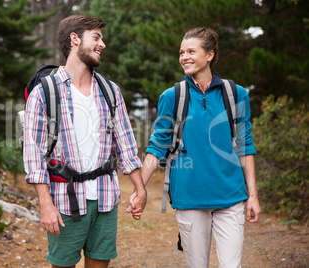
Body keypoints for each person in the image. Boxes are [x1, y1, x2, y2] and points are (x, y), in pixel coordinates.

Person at [23, 15, 147, 268]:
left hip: (106, 197)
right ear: (75, 39)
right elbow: (34, 157)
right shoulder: (45, 92)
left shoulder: (110, 90)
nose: (103, 44)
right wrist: (45, 206)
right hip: (65, 201)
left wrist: (140, 188)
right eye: (97, 37)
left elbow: (125, 143)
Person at [134, 27, 261, 267]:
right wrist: (140, 187)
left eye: (191, 51)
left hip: (231, 196)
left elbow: (245, 146)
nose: (184, 57)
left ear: (210, 55)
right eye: (181, 52)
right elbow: (157, 145)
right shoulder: (172, 97)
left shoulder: (236, 95)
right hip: (189, 197)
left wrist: (252, 195)